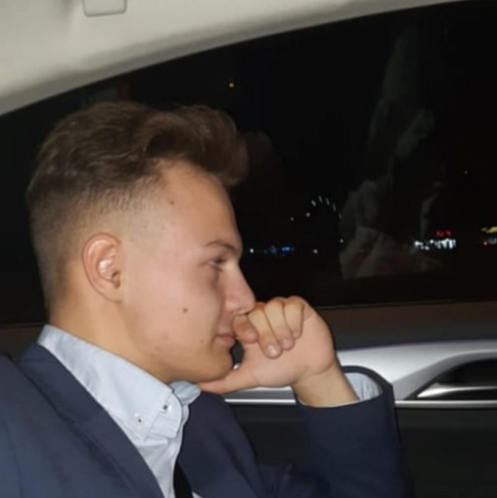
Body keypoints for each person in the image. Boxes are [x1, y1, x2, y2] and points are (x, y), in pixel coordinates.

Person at [0, 101, 411, 498]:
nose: (246, 299)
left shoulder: (198, 421)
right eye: (215, 262)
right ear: (109, 269)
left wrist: (319, 381)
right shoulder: (13, 425)